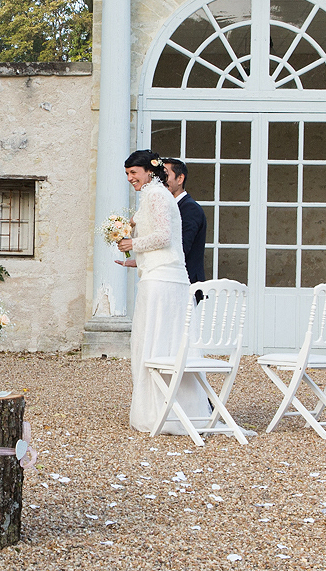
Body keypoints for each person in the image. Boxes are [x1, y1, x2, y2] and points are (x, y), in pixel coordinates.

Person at [116, 149, 210, 435]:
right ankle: (172, 409)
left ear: (148, 171)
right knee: (165, 344)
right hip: (164, 277)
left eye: (134, 172)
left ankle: (159, 412)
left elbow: (164, 237)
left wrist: (133, 242)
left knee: (153, 344)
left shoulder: (156, 194)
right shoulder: (155, 195)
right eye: (127, 173)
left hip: (162, 282)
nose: (130, 178)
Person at [163, 158, 207, 284]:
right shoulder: (168, 207)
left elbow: (182, 248)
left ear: (180, 179)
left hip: (186, 282)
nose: (161, 180)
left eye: (165, 175)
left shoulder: (190, 208)